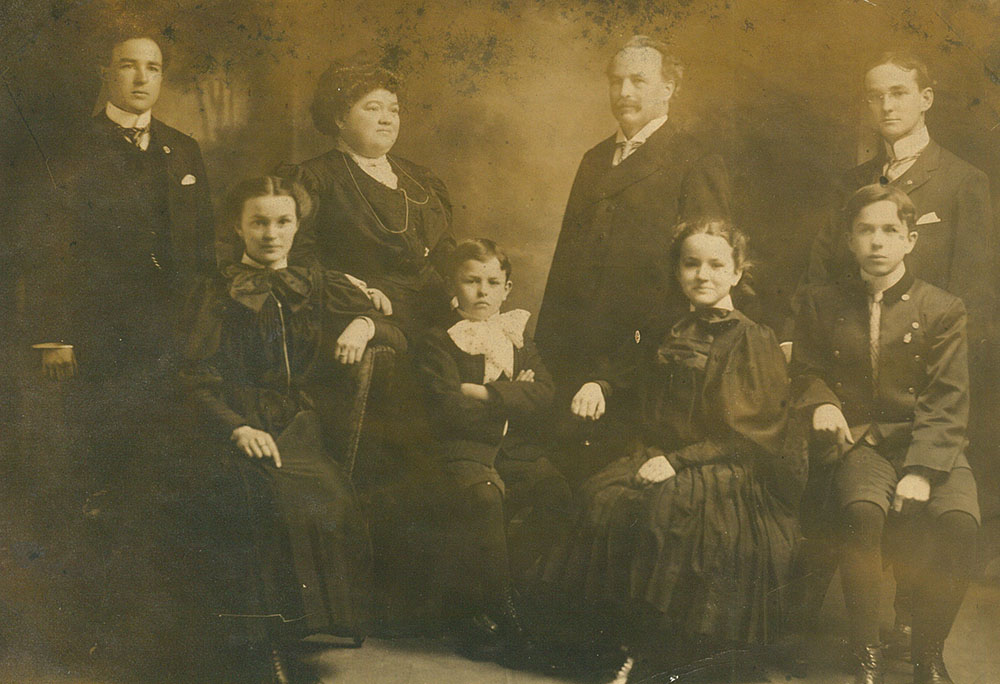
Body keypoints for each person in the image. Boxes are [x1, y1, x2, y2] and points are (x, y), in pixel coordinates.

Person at [793, 50, 995, 661]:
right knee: (857, 501)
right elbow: (822, 281)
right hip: (858, 383)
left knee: (943, 519)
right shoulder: (852, 182)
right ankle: (860, 637)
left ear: (925, 98)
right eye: (876, 95)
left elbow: (978, 297)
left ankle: (916, 632)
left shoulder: (963, 181)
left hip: (938, 375)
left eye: (900, 93)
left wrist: (940, 398)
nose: (887, 106)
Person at [547, 219, 801, 683]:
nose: (703, 275)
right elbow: (624, 370)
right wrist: (598, 383)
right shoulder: (665, 326)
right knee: (600, 498)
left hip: (726, 467)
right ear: (678, 270)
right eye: (691, 264)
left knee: (669, 512)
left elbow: (750, 432)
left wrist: (678, 462)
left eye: (716, 264)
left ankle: (652, 654)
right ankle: (616, 642)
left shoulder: (752, 337)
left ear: (737, 272)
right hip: (660, 452)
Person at [181, 176, 406, 683]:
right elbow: (193, 380)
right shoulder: (218, 291)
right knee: (258, 494)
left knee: (322, 489)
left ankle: (295, 633)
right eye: (258, 222)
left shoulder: (318, 282)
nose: (270, 233)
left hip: (296, 426)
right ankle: (259, 648)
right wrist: (236, 427)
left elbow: (399, 329)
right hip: (229, 424)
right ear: (238, 228)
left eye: (282, 222)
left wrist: (365, 324)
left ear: (297, 226)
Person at [791, 184, 979, 684]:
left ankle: (927, 653)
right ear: (849, 241)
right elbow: (804, 370)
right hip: (861, 441)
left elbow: (948, 396)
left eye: (889, 231)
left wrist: (921, 470)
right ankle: (865, 653)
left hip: (929, 442)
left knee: (961, 524)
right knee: (861, 513)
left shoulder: (942, 308)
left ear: (910, 239)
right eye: (865, 231)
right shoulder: (819, 302)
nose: (877, 242)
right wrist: (823, 401)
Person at [536, 34, 732, 418]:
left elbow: (705, 276)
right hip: (576, 349)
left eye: (638, 81)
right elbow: (564, 265)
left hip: (648, 355)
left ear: (668, 89)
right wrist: (541, 356)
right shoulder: (593, 160)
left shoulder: (696, 159)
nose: (624, 91)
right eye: (616, 81)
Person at [413, 239, 572, 665]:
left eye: (492, 282)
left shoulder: (518, 337)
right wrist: (512, 391)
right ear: (454, 285)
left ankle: (495, 593)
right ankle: (502, 613)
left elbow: (545, 395)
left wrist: (483, 392)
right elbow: (445, 406)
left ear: (506, 289)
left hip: (514, 450)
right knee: (484, 497)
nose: (482, 292)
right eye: (471, 281)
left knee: (556, 494)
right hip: (461, 450)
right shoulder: (438, 341)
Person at [275, 61, 455, 335]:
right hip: (369, 311)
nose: (387, 118)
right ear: (340, 118)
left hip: (439, 310)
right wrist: (352, 294)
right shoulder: (313, 179)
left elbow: (445, 249)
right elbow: (300, 259)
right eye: (373, 108)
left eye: (393, 110)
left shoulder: (420, 178)